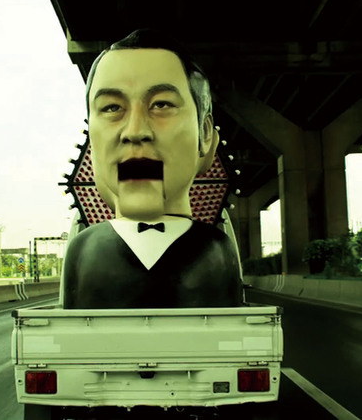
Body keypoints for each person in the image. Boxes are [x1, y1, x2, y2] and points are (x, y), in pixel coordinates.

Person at [62, 29, 242, 309]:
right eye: (111, 108)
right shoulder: (83, 250)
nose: (135, 132)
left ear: (205, 136)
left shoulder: (218, 251)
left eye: (161, 105)